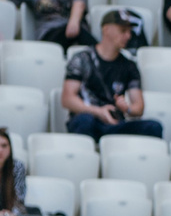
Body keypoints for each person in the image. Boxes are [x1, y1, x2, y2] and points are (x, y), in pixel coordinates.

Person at [62, 12, 162, 140]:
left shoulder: (129, 65)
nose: (128, 36)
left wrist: (128, 108)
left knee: (153, 127)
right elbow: (67, 99)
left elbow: (138, 107)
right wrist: (98, 111)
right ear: (106, 29)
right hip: (88, 118)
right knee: (84, 120)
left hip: (115, 123)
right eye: (123, 31)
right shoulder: (82, 59)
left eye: (129, 31)